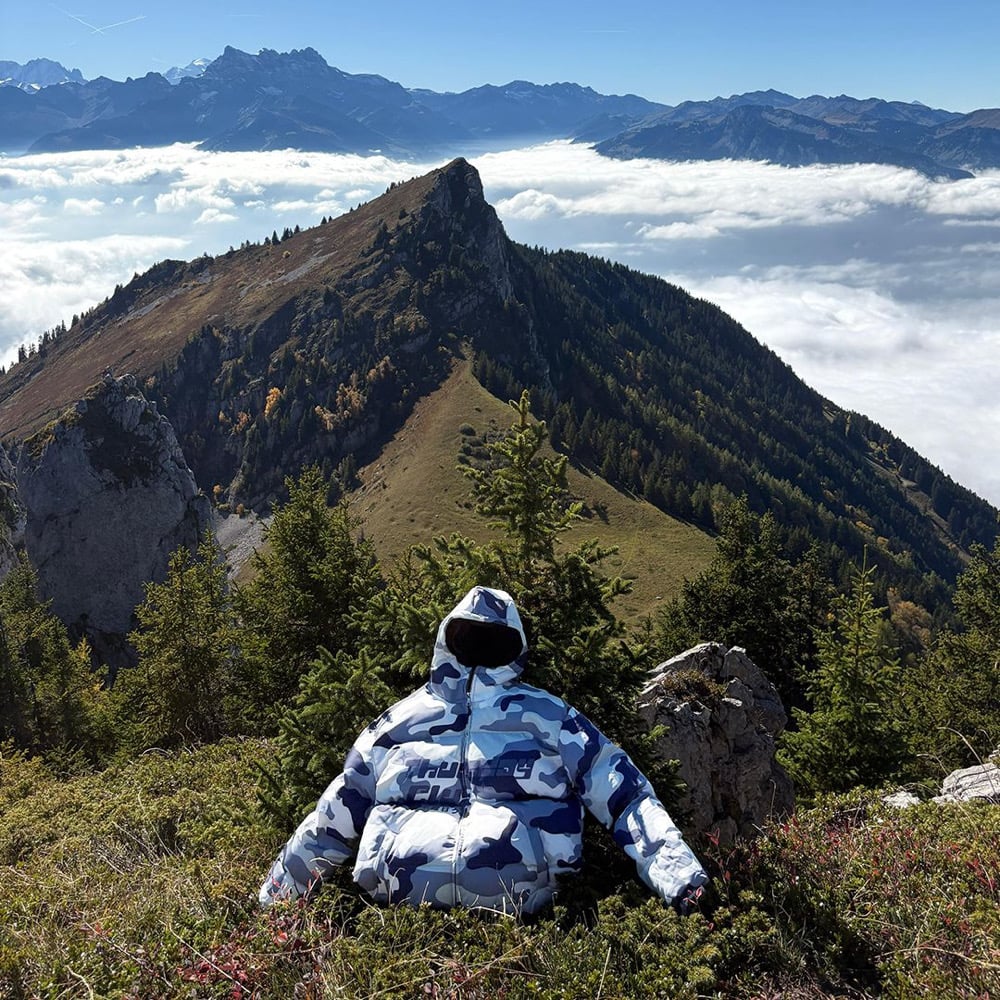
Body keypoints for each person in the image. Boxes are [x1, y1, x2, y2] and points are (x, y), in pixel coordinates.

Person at [260, 585, 708, 915]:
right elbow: (332, 818)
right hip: (395, 926)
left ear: (514, 646)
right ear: (447, 641)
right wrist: (273, 905)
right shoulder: (395, 727)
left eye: (492, 639)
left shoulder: (551, 719)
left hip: (529, 925)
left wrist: (682, 880)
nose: (479, 646)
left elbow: (625, 795)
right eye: (468, 636)